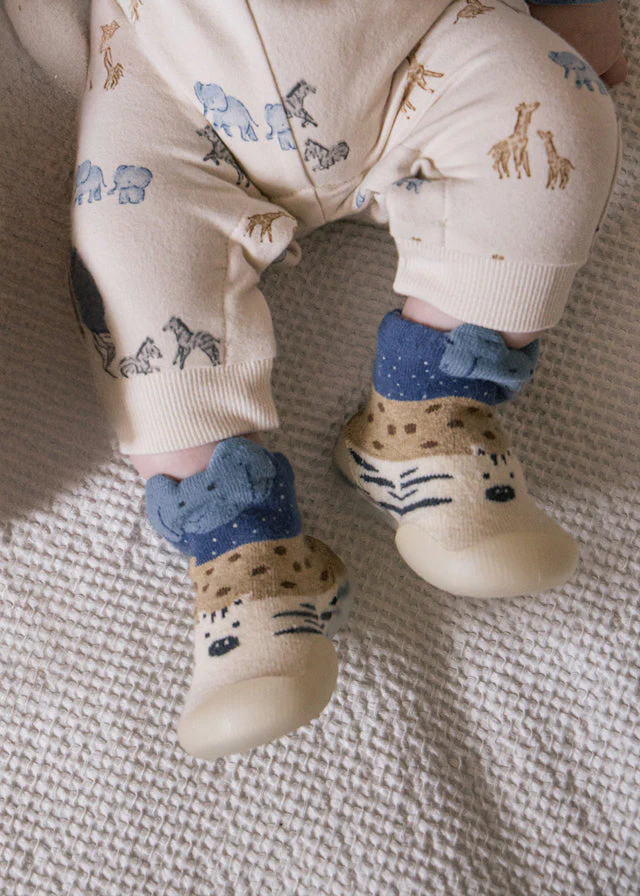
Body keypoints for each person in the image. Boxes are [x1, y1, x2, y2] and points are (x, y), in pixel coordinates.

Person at [63, 0, 626, 758]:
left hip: (415, 44)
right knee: (122, 258)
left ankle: (428, 417)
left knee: (559, 110)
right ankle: (245, 557)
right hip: (175, 77)